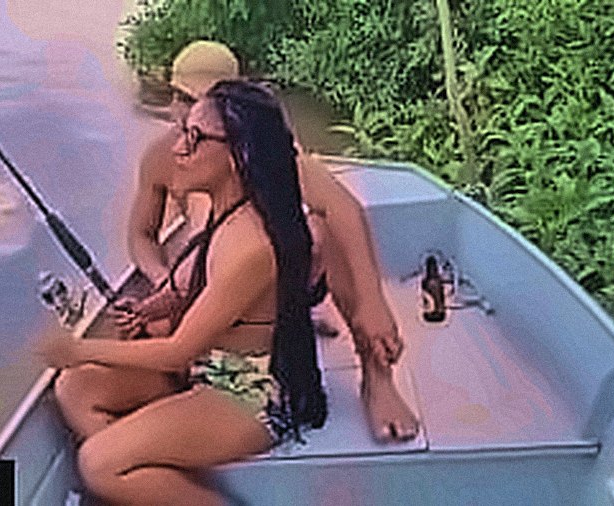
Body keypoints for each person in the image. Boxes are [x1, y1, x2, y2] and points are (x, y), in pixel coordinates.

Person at [37, 81, 327, 505]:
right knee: (75, 388)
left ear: (237, 156)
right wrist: (149, 307)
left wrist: (80, 350)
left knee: (99, 464)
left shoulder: (251, 244)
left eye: (195, 138)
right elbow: (190, 287)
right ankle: (153, 483)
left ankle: (146, 476)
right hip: (200, 370)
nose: (177, 148)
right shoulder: (223, 214)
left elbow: (176, 352)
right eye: (181, 132)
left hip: (246, 396)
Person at [128, 40, 418, 442]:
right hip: (204, 278)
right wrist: (163, 280)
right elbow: (141, 236)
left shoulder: (265, 148)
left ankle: (376, 373)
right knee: (149, 325)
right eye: (179, 97)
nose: (185, 111)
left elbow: (344, 209)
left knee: (324, 229)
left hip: (272, 275)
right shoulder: (163, 156)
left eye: (199, 101)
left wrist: (373, 303)